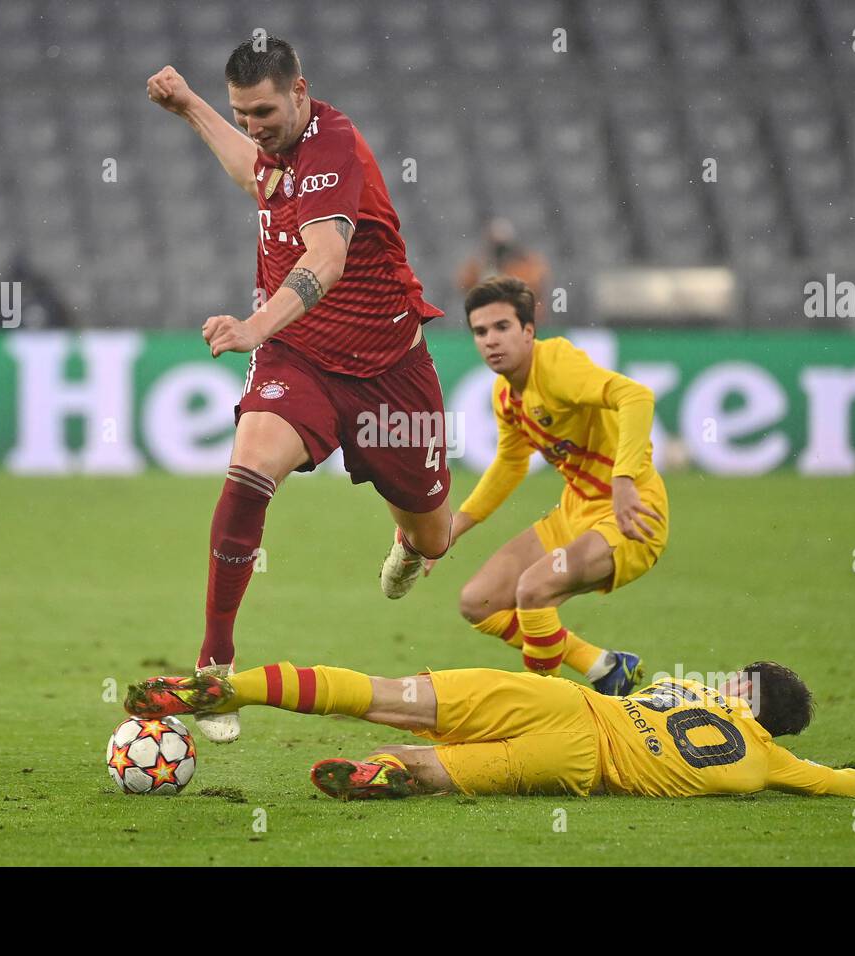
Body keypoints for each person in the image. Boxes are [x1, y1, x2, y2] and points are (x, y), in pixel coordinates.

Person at [143, 38, 453, 742]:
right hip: (301, 358)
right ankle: (215, 665)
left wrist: (253, 324)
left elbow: (328, 256)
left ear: (301, 92)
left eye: (264, 112)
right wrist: (191, 106)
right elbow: (254, 174)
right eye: (241, 113)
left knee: (433, 536)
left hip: (388, 373)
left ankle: (408, 542)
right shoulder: (275, 146)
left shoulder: (333, 146)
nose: (254, 125)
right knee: (247, 474)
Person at [124, 662, 855, 800]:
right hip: (579, 764)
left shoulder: (686, 686)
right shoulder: (765, 765)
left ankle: (235, 687)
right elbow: (832, 780)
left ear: (741, 688)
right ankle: (386, 775)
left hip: (560, 702)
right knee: (431, 764)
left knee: (387, 694)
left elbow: (621, 681)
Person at [423, 277, 667, 696]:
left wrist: (625, 479)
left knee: (534, 590)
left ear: (528, 331)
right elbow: (511, 464)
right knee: (478, 601)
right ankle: (603, 666)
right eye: (480, 332)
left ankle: (543, 707)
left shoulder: (555, 366)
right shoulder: (505, 394)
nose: (490, 341)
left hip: (630, 516)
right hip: (575, 514)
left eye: (502, 327)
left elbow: (636, 396)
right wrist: (452, 529)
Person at [455, 217, 550, 324]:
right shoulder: (479, 263)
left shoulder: (525, 263)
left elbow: (533, 286)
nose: (499, 251)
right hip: (487, 316)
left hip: (522, 317)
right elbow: (464, 285)